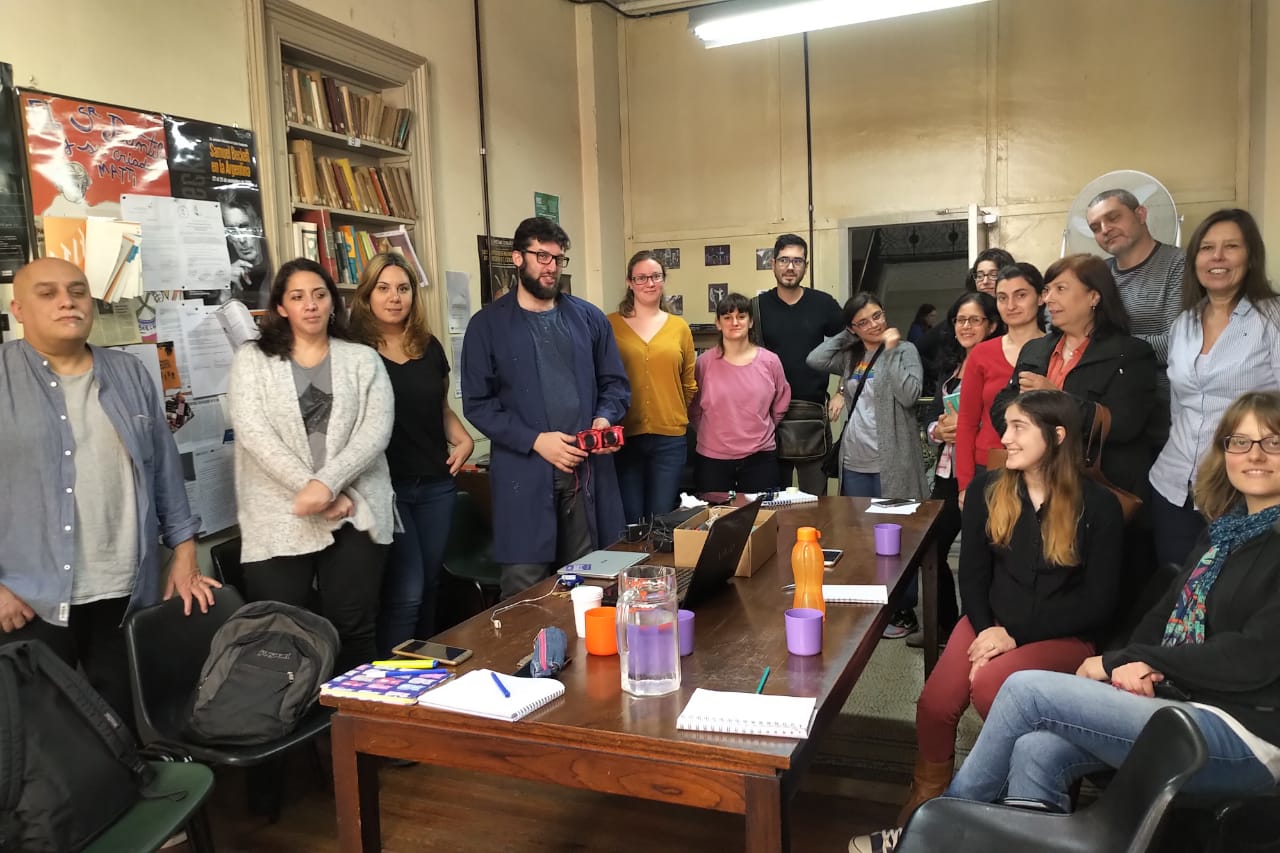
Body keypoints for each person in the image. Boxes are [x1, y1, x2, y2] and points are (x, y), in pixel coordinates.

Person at [857, 391, 1280, 853]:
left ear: (1056, 436)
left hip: (1243, 732)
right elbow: (1162, 613)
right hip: (1179, 700)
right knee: (1035, 747)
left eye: (1272, 442)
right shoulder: (1224, 531)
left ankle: (937, 830)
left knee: (1023, 689)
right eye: (1239, 442)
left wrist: (1132, 660)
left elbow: (1254, 658)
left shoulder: (1099, 506)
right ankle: (1008, 841)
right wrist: (1129, 662)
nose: (1253, 455)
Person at [0, 257, 216, 723]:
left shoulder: (129, 373)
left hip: (126, 588)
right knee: (47, 743)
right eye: (48, 293)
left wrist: (184, 552)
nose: (67, 302)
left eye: (77, 291)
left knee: (122, 724)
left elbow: (164, 471)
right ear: (18, 308)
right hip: (27, 596)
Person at [229, 258, 395, 674]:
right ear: (281, 307)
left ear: (332, 303)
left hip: (354, 510)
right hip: (278, 514)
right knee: (280, 633)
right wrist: (316, 490)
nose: (311, 305)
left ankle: (355, 724)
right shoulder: (252, 360)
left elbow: (376, 431)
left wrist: (329, 485)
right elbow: (254, 434)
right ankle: (295, 731)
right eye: (298, 297)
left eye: (320, 295)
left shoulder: (362, 359)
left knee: (354, 627)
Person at [461, 217, 629, 599]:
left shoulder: (588, 318)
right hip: (525, 477)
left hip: (585, 477)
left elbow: (615, 385)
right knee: (526, 594)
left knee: (594, 585)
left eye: (558, 257)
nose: (550, 265)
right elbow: (478, 404)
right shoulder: (487, 326)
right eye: (541, 255)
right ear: (517, 258)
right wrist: (536, 441)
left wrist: (604, 420)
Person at [992, 254, 1157, 637]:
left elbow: (1127, 424)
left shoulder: (1129, 353)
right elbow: (1002, 406)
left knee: (1097, 592)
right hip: (1035, 490)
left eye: (1060, 289)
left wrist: (1055, 397)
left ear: (1094, 296)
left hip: (1094, 491)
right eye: (1047, 290)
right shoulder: (1036, 350)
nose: (1048, 298)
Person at [349, 252, 474, 654]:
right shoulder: (354, 352)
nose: (394, 297)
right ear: (367, 295)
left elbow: (438, 408)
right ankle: (390, 684)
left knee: (432, 582)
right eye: (383, 288)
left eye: (403, 288)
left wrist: (464, 439)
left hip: (436, 484)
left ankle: (423, 671)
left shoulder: (428, 346)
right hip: (387, 489)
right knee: (407, 591)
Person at [1149, 209, 1280, 573]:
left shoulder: (1272, 318)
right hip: (1173, 485)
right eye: (1207, 248)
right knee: (1178, 588)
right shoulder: (1183, 324)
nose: (1217, 257)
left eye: (1231, 247)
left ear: (1250, 256)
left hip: (1243, 487)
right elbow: (1179, 407)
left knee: (1232, 596)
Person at [807, 293, 927, 638]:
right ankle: (872, 607)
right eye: (865, 321)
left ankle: (904, 610)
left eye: (878, 316)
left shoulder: (905, 351)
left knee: (896, 540)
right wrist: (852, 335)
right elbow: (815, 358)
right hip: (854, 461)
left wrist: (888, 351)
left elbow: (910, 395)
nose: (875, 324)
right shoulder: (851, 354)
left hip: (892, 463)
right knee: (860, 539)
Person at [909, 291, 1002, 649]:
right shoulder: (950, 365)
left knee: (980, 554)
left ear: (991, 325)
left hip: (983, 470)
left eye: (974, 320)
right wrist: (937, 430)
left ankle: (978, 628)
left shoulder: (1001, 364)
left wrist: (970, 428)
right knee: (930, 545)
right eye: (960, 320)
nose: (965, 326)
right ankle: (943, 625)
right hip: (948, 470)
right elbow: (933, 415)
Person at [1086, 188, 1184, 441]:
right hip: (1103, 411)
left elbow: (1176, 345)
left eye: (1114, 217)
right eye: (1095, 227)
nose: (1105, 229)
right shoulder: (1098, 275)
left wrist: (1104, 348)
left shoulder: (1179, 265)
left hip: (1164, 413)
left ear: (1140, 214)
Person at [608, 250, 696, 523]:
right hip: (624, 437)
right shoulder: (609, 325)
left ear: (663, 280)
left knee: (661, 519)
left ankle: (659, 568)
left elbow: (689, 384)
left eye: (655, 276)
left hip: (669, 440)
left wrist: (671, 411)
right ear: (629, 282)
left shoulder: (679, 327)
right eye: (642, 277)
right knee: (631, 520)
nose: (649, 283)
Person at [752, 234, 843, 496]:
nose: (790, 267)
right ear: (773, 263)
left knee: (815, 504)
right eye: (784, 260)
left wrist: (842, 391)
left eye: (797, 261)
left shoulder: (823, 304)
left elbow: (855, 345)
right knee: (771, 504)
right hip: (767, 418)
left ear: (806, 265)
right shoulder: (756, 308)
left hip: (811, 415)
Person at [955, 263, 1046, 503]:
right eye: (1002, 298)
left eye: (1021, 295)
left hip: (1044, 467)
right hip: (989, 466)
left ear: (1041, 297)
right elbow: (966, 422)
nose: (1011, 305)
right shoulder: (982, 354)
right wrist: (964, 484)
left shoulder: (1057, 349)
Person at [688, 293, 790, 493]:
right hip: (712, 459)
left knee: (762, 520)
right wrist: (712, 435)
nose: (735, 322)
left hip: (760, 457)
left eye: (741, 316)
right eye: (727, 317)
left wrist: (760, 429)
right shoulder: (703, 364)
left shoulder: (770, 362)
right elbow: (693, 408)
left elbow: (780, 403)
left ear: (751, 321)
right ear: (718, 323)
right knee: (714, 520)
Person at [916, 248, 1015, 380]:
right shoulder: (961, 315)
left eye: (993, 275)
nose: (985, 282)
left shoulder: (1015, 315)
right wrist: (941, 374)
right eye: (980, 275)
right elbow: (919, 349)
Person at [221, 192, 270, 309]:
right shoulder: (229, 275)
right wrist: (224, 294)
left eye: (244, 227)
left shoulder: (275, 266)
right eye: (232, 231)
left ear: (258, 227)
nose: (241, 240)